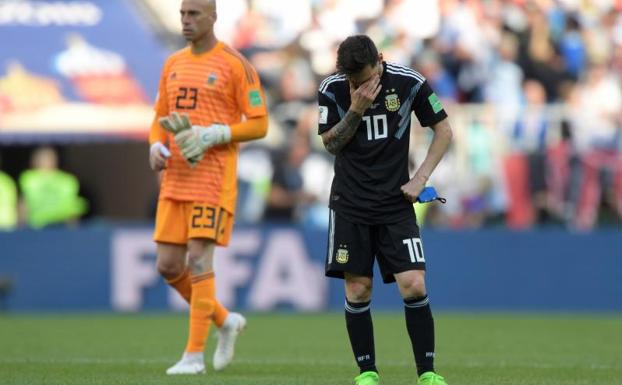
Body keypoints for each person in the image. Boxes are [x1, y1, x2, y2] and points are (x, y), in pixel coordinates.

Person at [318, 35, 453, 385]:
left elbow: (444, 130)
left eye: (362, 80)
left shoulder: (410, 83)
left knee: (414, 284)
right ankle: (367, 372)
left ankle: (427, 373)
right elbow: (330, 144)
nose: (357, 86)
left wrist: (421, 177)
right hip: (350, 204)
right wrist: (356, 108)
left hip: (396, 203)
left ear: (380, 60)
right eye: (352, 81)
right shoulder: (333, 89)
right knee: (358, 290)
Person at [148, 0, 268, 375]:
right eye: (183, 14)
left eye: (194, 14)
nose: (186, 21)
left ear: (213, 17)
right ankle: (224, 320)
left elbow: (260, 123)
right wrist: (156, 144)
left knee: (199, 260)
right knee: (168, 266)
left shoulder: (235, 64)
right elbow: (159, 117)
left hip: (213, 180)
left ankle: (193, 356)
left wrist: (218, 132)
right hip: (176, 179)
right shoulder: (172, 64)